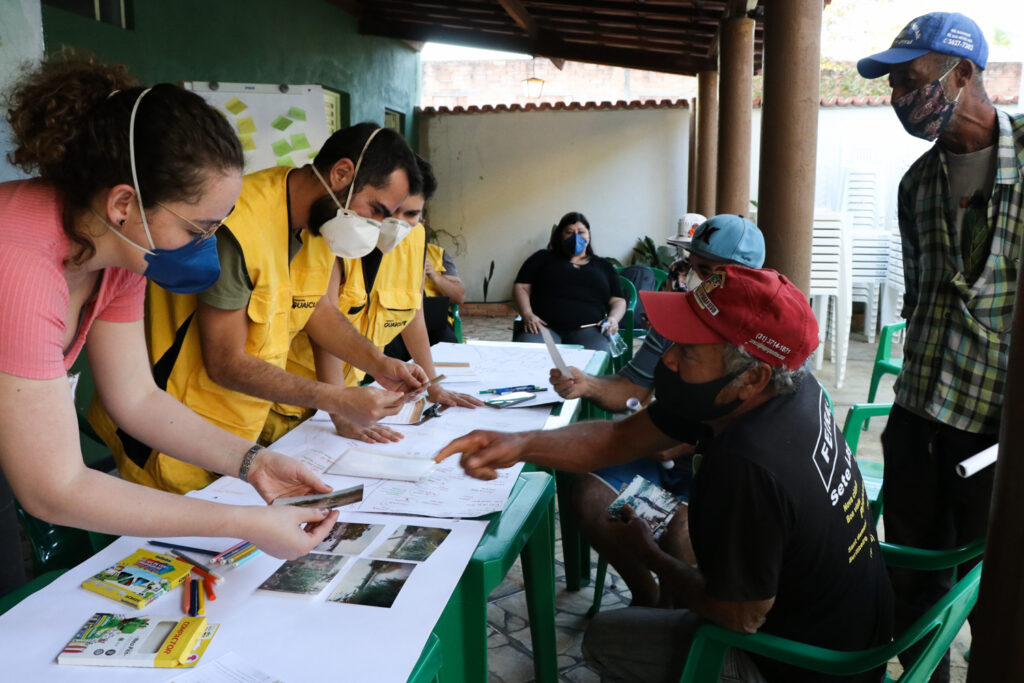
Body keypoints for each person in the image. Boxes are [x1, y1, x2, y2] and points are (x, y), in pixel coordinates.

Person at [438, 266, 893, 683]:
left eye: (689, 350)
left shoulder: (746, 464)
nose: (668, 361)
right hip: (851, 624)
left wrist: (652, 557)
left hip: (809, 666)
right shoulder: (786, 387)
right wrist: (519, 444)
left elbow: (741, 617)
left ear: (751, 377)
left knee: (607, 637)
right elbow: (615, 441)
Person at [0, 54, 337, 571]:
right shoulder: (21, 266)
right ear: (123, 205)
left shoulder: (116, 253)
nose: (207, 245)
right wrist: (244, 524)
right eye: (198, 229)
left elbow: (135, 397)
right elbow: (54, 488)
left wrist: (252, 464)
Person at [90, 122, 430, 495]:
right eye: (377, 210)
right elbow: (225, 361)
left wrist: (378, 364)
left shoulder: (318, 223)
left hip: (238, 434)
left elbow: (318, 311)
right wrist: (337, 399)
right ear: (341, 174)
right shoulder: (239, 227)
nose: (378, 226)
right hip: (170, 433)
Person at [858, 13, 1022, 680]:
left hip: (997, 441)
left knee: (999, 605)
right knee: (913, 598)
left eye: (910, 77)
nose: (899, 94)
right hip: (918, 426)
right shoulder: (916, 186)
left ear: (963, 73)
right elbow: (921, 301)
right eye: (893, 82)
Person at [551, 214, 766, 606]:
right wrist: (588, 384)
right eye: (695, 268)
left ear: (748, 279)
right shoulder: (675, 315)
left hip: (715, 475)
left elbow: (759, 435)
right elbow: (631, 388)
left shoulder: (764, 338)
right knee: (590, 495)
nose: (699, 282)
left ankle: (678, 623)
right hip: (655, 463)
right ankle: (645, 596)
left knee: (682, 534)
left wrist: (682, 444)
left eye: (714, 273)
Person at [263, 155, 481, 445]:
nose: (400, 224)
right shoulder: (336, 235)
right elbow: (324, 330)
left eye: (412, 214)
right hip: (292, 399)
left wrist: (432, 385)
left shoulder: (415, 239)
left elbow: (412, 313)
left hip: (352, 395)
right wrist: (339, 413)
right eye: (393, 210)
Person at [512, 211, 626, 352]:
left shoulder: (604, 266)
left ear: (588, 235)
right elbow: (521, 287)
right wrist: (528, 314)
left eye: (581, 232)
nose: (576, 237)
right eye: (569, 232)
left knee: (592, 362)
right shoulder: (541, 258)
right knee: (532, 356)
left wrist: (613, 319)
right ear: (560, 235)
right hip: (544, 328)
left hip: (588, 330)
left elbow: (618, 300)